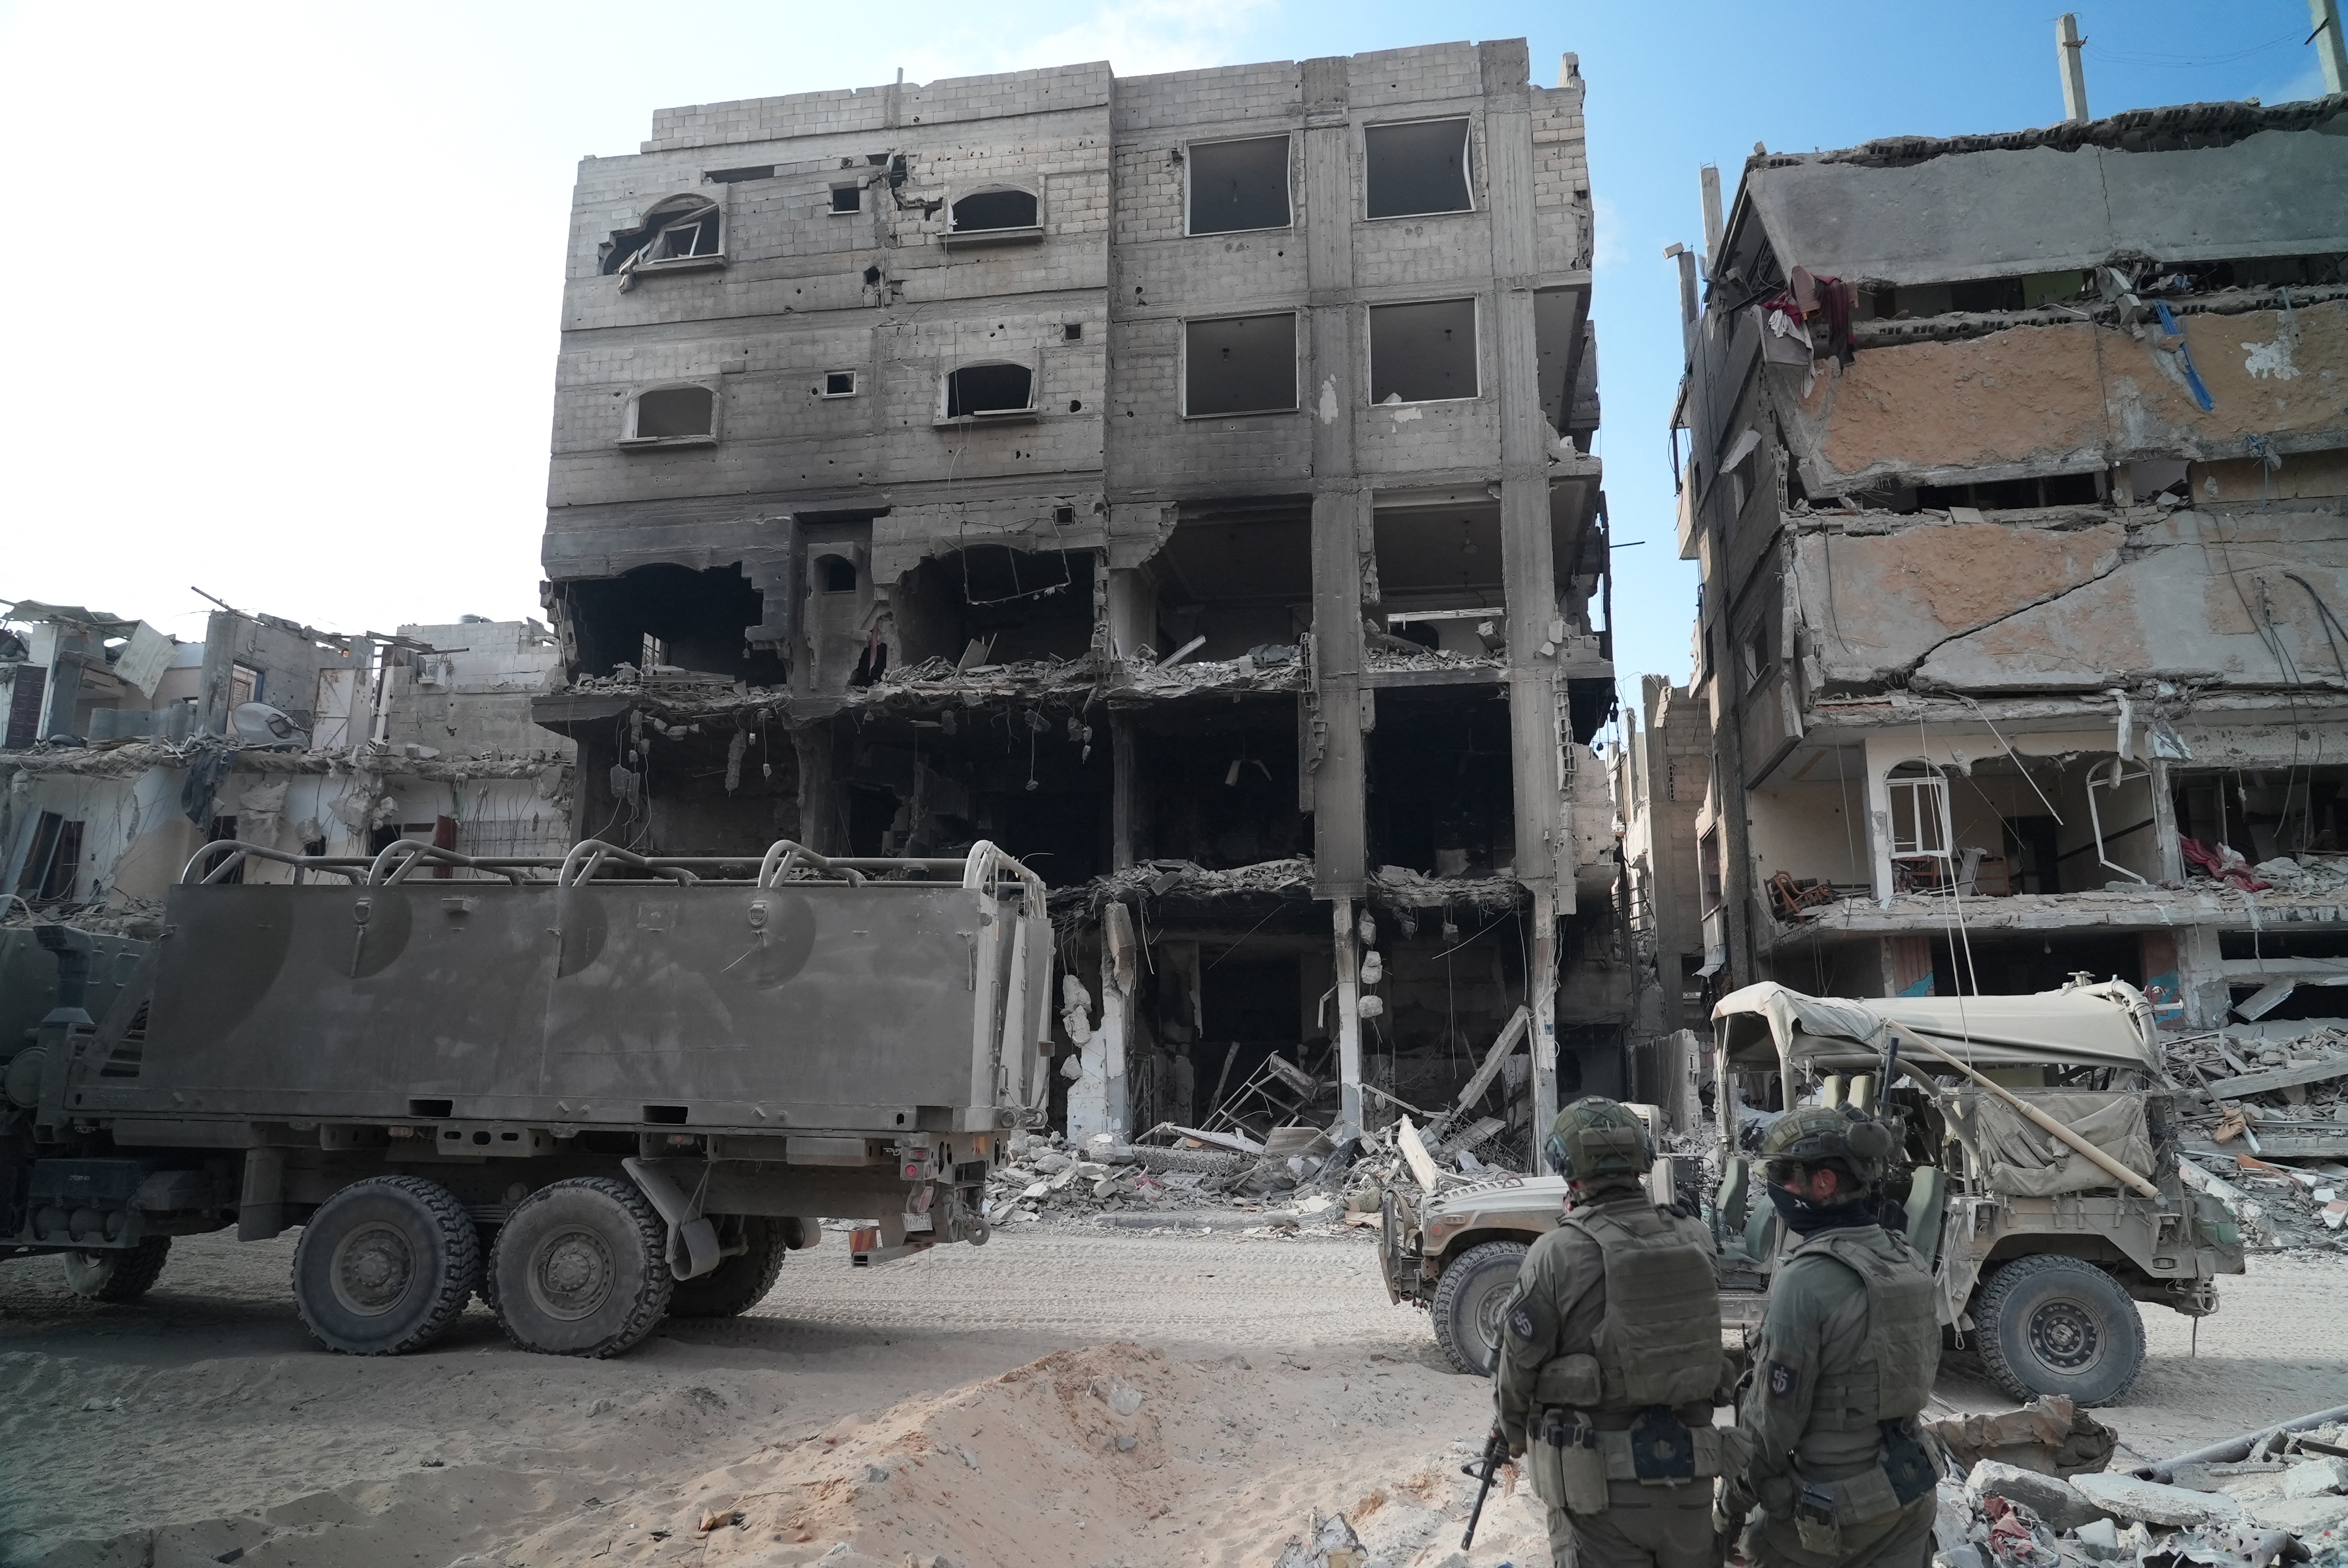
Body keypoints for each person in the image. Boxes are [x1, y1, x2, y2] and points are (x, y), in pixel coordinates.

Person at [1492, 1097, 1733, 1568]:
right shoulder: (1694, 1236)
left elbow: (1517, 1370)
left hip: (1599, 1490)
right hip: (1690, 1478)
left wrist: (1514, 1434)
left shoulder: (1557, 1254)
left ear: (1569, 1173)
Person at [1721, 1105, 1940, 1568]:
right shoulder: (1906, 1259)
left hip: (1839, 1512)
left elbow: (1770, 1429)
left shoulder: (1808, 1280)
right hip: (1911, 1488)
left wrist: (1730, 1509)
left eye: (1784, 1175)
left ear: (1823, 1183)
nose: (1776, 1186)